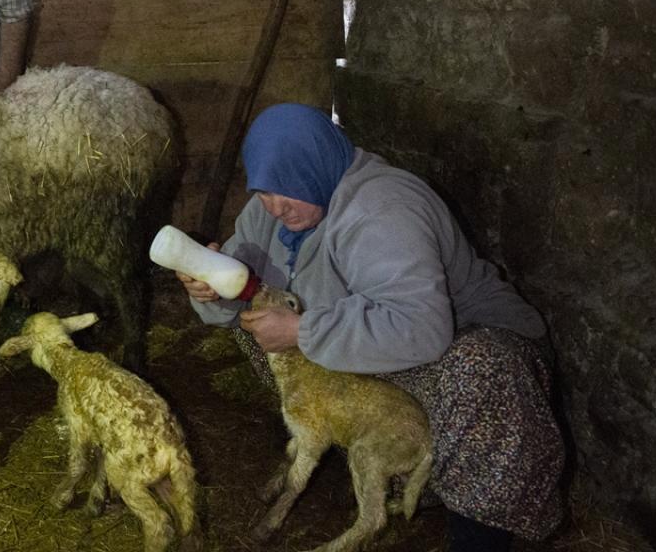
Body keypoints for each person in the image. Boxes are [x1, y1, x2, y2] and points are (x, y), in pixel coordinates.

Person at [178, 103, 564, 551]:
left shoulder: (382, 209)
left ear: (317, 164)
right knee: (261, 321)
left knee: (482, 371)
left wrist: (303, 331)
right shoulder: (272, 208)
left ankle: (480, 532)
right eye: (265, 190)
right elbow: (243, 288)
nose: (277, 206)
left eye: (289, 188)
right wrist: (212, 286)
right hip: (376, 347)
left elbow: (421, 328)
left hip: (464, 343)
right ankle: (386, 461)